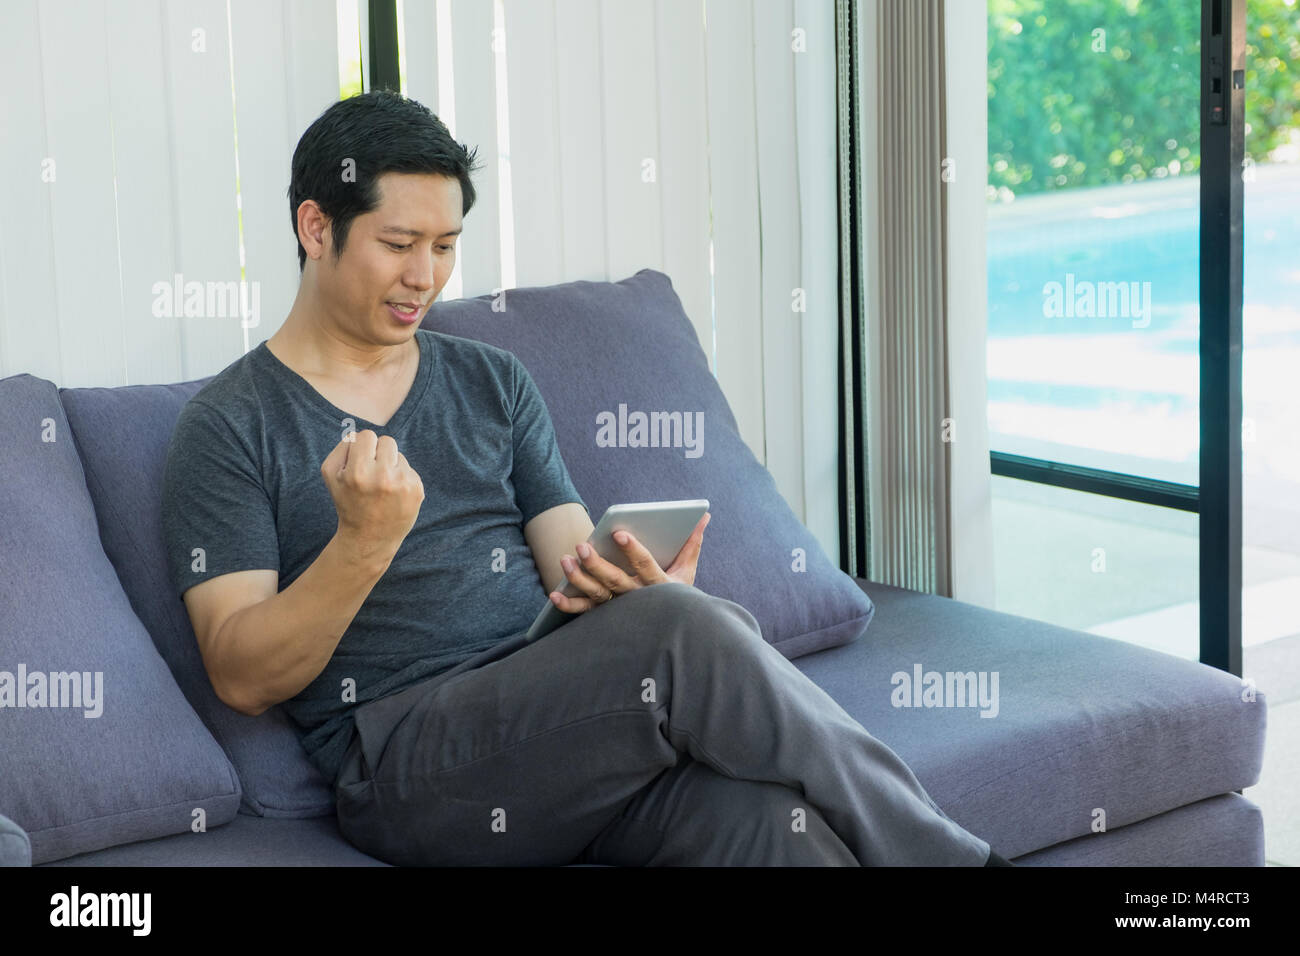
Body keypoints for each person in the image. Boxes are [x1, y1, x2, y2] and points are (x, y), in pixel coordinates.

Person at [162, 90, 1012, 867]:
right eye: (398, 244)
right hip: (408, 767)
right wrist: (361, 546)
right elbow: (241, 674)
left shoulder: (491, 381)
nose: (425, 276)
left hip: (569, 728)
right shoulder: (231, 425)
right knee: (688, 632)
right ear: (317, 228)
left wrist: (634, 591)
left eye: (446, 246)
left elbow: (573, 567)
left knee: (778, 832)